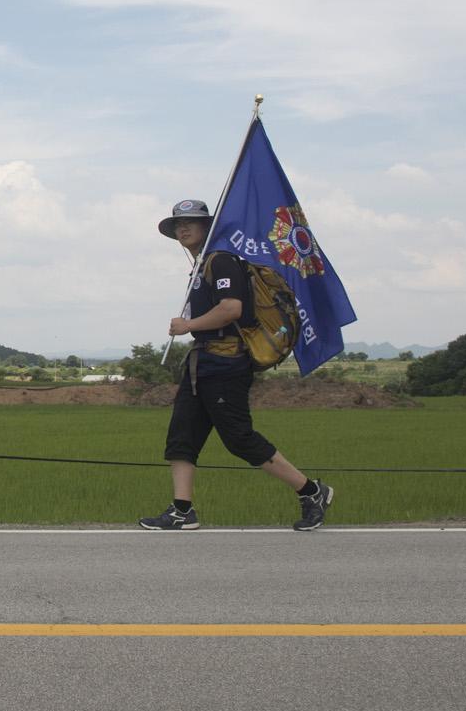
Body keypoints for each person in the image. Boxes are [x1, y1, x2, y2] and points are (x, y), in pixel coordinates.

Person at [141, 198, 333, 532]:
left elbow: (232, 308)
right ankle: (182, 510)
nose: (183, 228)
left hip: (226, 363)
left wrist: (188, 326)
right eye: (178, 225)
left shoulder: (222, 261)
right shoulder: (200, 267)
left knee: (239, 438)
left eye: (190, 222)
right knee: (181, 437)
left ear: (209, 226)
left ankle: (312, 491)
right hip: (201, 362)